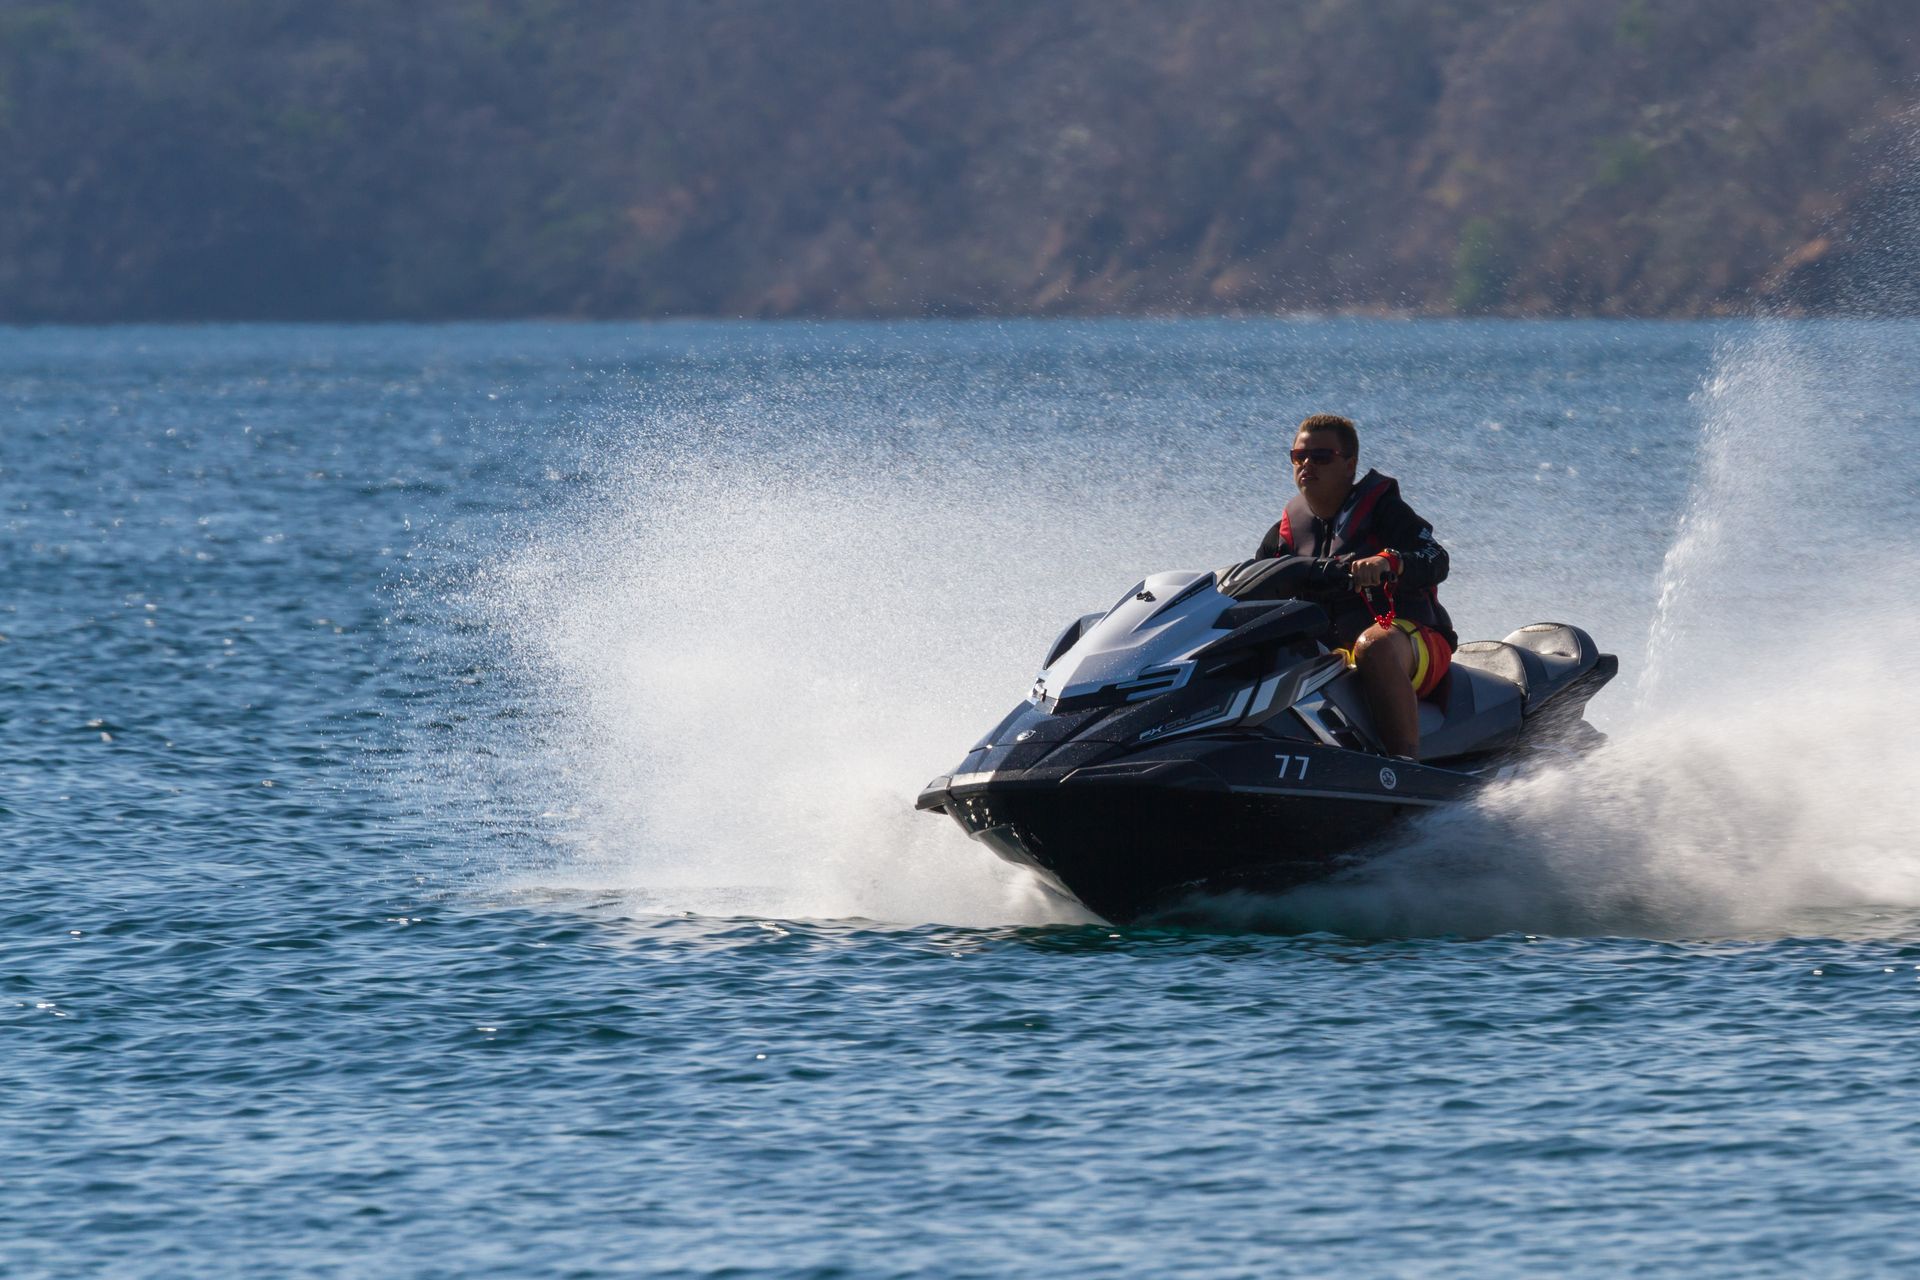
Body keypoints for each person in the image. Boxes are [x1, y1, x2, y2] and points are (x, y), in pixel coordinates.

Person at [1255, 413, 1456, 759]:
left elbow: (1435, 557)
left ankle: (1404, 764)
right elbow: (1253, 585)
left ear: (1349, 465)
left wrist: (1389, 562)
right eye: (1298, 457)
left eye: (1321, 457)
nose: (1307, 465)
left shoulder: (1384, 511)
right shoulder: (1285, 533)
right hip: (1334, 651)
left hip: (1409, 641)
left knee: (1373, 647)